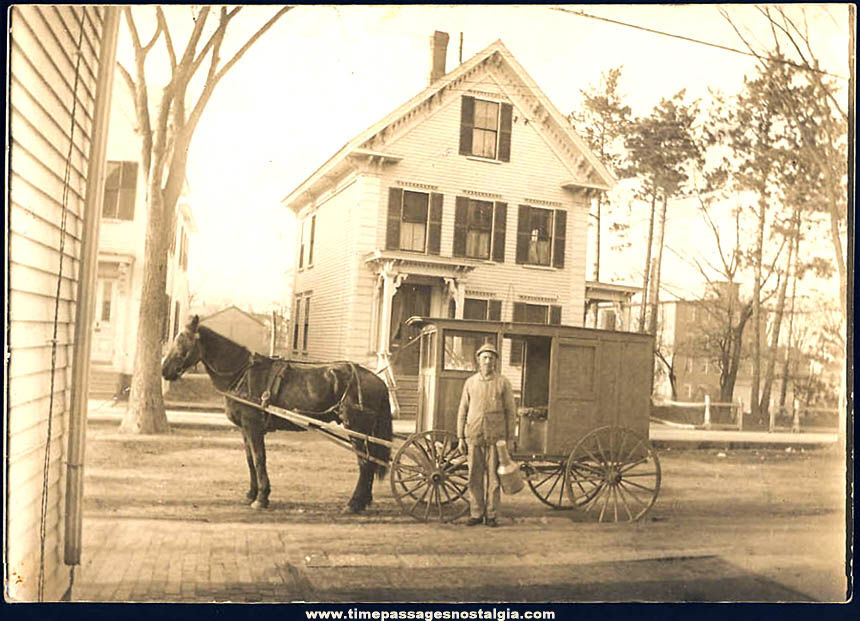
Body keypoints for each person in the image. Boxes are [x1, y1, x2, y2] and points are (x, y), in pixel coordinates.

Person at [456, 342, 516, 527]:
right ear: (478, 360)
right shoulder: (470, 383)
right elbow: (462, 410)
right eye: (485, 357)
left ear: (495, 362)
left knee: (494, 478)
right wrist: (460, 436)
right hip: (474, 435)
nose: (488, 361)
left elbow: (510, 412)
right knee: (474, 476)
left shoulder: (503, 383)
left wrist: (510, 439)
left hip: (496, 438)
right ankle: (476, 513)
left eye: (491, 358)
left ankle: (491, 515)